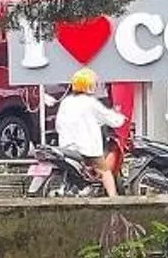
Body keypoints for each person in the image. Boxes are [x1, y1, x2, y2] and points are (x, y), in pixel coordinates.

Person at [54, 67, 126, 195]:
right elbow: (110, 118)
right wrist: (121, 119)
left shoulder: (66, 102)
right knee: (105, 172)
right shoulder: (90, 102)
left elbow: (58, 125)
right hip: (86, 149)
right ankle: (114, 202)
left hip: (66, 147)